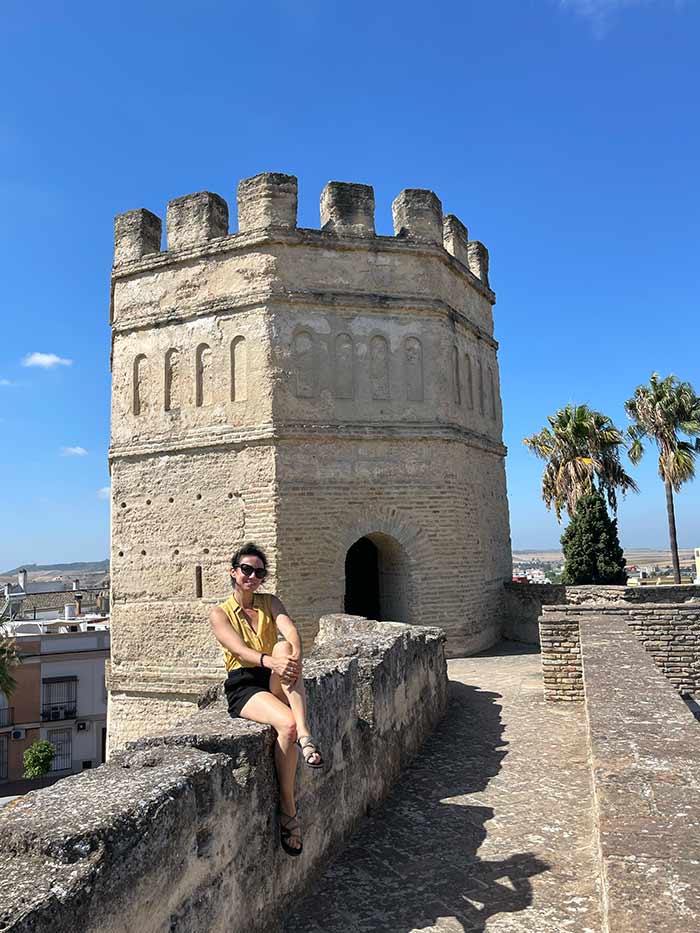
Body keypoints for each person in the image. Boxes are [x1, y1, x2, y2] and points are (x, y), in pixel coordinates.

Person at [210, 542, 323, 856]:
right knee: (283, 724)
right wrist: (269, 661)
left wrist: (294, 655)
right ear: (234, 572)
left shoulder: (269, 602)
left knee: (285, 648)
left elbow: (289, 629)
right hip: (244, 685)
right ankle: (288, 809)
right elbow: (239, 650)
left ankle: (305, 733)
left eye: (258, 572)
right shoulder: (220, 613)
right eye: (246, 570)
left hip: (273, 677)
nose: (252, 576)